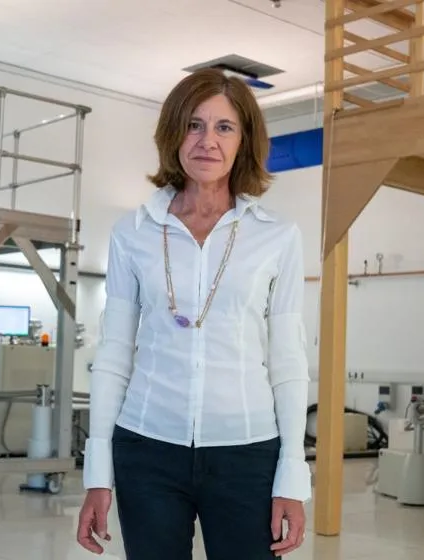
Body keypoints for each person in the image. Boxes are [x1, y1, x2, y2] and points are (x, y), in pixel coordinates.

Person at [73, 68, 311, 560]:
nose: (207, 141)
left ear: (244, 139)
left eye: (224, 127)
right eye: (194, 125)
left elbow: (288, 363)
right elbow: (114, 353)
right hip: (147, 449)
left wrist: (293, 473)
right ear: (173, 134)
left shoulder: (278, 237)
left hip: (246, 452)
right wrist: (99, 473)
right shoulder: (132, 233)